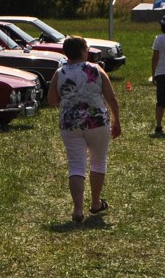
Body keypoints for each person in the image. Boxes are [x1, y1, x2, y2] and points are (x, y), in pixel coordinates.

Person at [48, 36, 121, 223]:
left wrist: (68, 102)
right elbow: (111, 97)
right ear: (83, 51)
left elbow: (52, 99)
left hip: (70, 123)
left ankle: (77, 209)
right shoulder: (96, 69)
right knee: (98, 162)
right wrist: (117, 121)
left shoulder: (60, 73)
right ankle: (96, 202)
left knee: (76, 166)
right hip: (97, 122)